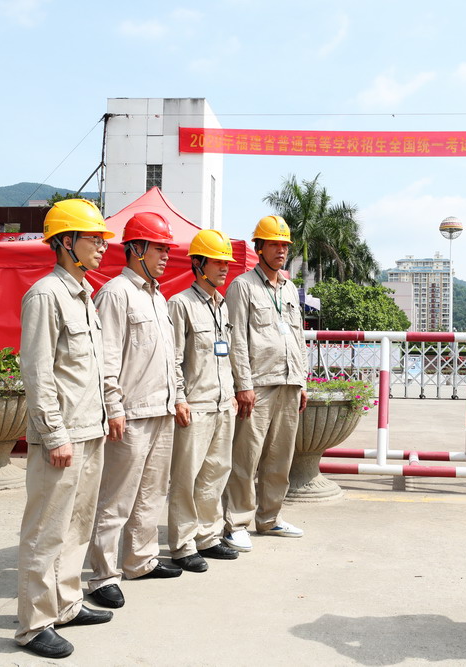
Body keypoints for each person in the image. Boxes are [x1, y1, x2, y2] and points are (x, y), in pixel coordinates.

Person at [16, 198, 115, 659]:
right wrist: (54, 434)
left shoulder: (85, 295)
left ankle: (68, 602)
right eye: (93, 238)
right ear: (65, 242)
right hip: (64, 436)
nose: (101, 246)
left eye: (101, 238)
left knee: (77, 526)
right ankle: (35, 624)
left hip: (89, 431)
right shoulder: (45, 295)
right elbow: (37, 373)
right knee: (46, 530)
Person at [86, 212, 182, 610]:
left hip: (161, 410)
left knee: (152, 492)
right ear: (137, 249)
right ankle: (102, 575)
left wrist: (177, 396)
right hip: (131, 412)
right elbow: (106, 358)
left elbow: (170, 356)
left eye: (166, 248)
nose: (165, 256)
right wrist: (113, 406)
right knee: (117, 497)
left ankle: (140, 559)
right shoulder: (115, 294)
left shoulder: (157, 296)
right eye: (159, 248)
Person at [222, 215, 308, 552]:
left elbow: (298, 338)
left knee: (280, 457)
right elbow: (236, 340)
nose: (281, 250)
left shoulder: (289, 287)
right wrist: (243, 384)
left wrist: (301, 381)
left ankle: (270, 517)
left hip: (289, 383)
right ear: (259, 247)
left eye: (285, 245)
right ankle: (237, 522)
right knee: (246, 456)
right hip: (257, 385)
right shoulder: (242, 286)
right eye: (274, 243)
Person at [166, 229, 241, 573]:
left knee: (216, 471)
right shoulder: (180, 305)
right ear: (197, 264)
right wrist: (179, 397)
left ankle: (207, 536)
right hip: (194, 404)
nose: (224, 268)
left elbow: (225, 355)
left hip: (222, 402)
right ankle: (182, 544)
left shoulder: (221, 305)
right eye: (216, 261)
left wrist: (233, 393)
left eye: (226, 262)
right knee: (186, 475)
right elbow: (175, 359)